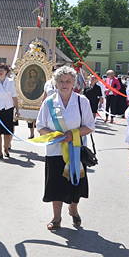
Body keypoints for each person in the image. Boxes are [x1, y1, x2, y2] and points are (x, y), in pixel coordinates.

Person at [36, 66, 96, 230]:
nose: (64, 84)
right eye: (61, 81)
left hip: (75, 150)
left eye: (68, 81)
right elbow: (40, 126)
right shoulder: (49, 102)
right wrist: (54, 134)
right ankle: (56, 218)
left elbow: (90, 126)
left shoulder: (81, 101)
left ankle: (73, 208)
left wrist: (72, 134)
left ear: (74, 83)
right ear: (55, 83)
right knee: (55, 185)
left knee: (75, 184)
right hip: (55, 151)